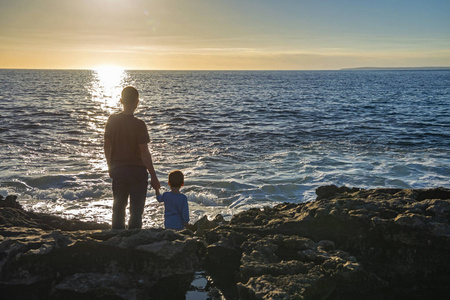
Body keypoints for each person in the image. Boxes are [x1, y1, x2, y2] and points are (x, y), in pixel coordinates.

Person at [104, 86, 160, 229]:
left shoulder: (112, 120)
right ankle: (133, 241)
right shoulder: (139, 125)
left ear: (121, 100)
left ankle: (116, 241)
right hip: (137, 172)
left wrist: (110, 166)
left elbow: (107, 146)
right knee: (136, 211)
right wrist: (153, 175)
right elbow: (144, 152)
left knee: (118, 209)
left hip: (119, 169)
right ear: (137, 102)